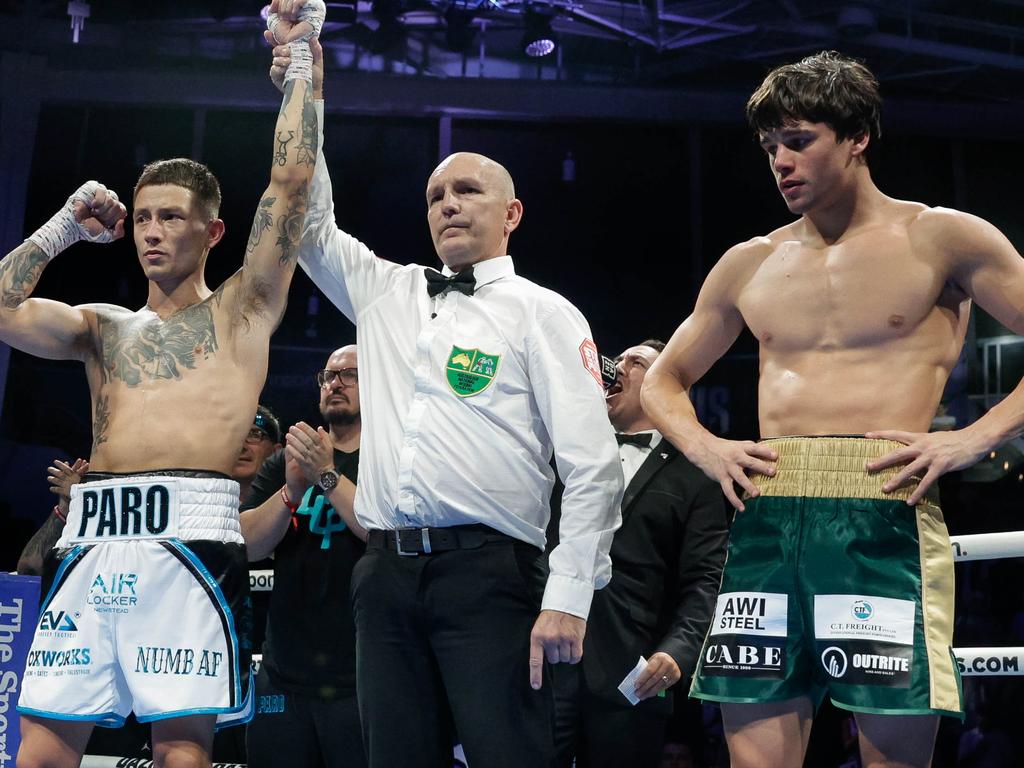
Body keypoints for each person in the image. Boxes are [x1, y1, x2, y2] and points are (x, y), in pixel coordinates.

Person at [641, 50, 1024, 768]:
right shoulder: (749, 262)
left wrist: (969, 440)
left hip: (881, 505)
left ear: (856, 137)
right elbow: (662, 382)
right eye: (769, 147)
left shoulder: (940, 238)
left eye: (798, 140)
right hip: (767, 511)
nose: (780, 161)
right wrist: (709, 449)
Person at [266, 25, 623, 767]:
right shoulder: (388, 294)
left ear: (511, 213)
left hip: (492, 575)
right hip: (386, 575)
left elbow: (593, 466)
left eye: (467, 190)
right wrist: (305, 82)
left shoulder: (543, 312)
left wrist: (569, 594)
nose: (448, 204)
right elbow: (309, 222)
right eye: (435, 195)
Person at [5, 4, 323, 765]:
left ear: (212, 232)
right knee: (39, 750)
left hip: (191, 539)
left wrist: (303, 60)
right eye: (143, 217)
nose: (151, 231)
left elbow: (292, 179)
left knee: (182, 753)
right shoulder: (100, 326)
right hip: (92, 542)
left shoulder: (243, 310)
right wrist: (63, 228)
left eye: (171, 218)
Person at [553, 340, 728, 768]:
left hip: (631, 673)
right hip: (542, 660)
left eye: (638, 363)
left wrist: (677, 652)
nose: (619, 366)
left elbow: (707, 578)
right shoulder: (560, 450)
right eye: (621, 358)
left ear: (667, 390)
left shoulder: (697, 474)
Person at [239, 344, 367, 768]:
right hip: (284, 672)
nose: (335, 383)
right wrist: (292, 491)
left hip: (361, 675)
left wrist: (326, 477)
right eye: (328, 376)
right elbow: (249, 544)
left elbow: (379, 532)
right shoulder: (285, 462)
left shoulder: (387, 458)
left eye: (349, 374)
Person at [233, 405, 283, 504]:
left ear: (276, 452)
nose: (242, 447)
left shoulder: (294, 506)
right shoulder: (197, 505)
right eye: (233, 436)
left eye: (254, 434)